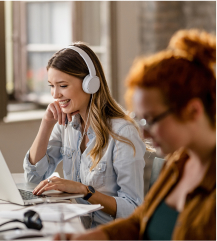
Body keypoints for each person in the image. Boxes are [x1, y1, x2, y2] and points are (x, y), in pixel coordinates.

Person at [54, 29, 216, 240]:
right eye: (140, 119)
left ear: (193, 111)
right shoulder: (178, 163)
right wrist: (95, 236)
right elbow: (141, 220)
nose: (142, 132)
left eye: (151, 119)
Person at [23, 43, 147, 228]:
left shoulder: (123, 132)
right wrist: (46, 124)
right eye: (51, 86)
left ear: (90, 83)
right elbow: (34, 177)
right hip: (76, 228)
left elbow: (134, 208)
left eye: (63, 85)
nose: (55, 95)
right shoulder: (66, 125)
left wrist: (85, 191)